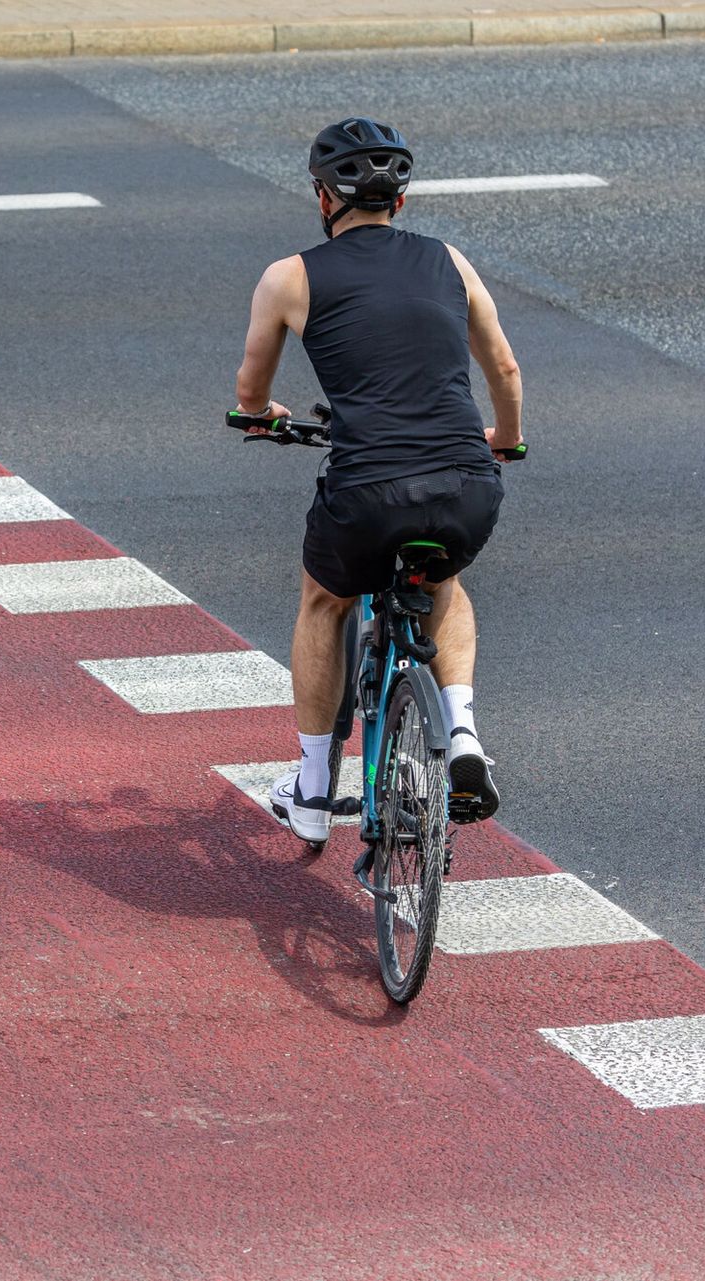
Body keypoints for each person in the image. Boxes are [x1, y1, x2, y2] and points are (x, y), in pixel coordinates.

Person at [234, 117, 526, 845]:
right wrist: (505, 441)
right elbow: (506, 371)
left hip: (367, 492)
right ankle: (460, 732)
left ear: (322, 198)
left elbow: (250, 390)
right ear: (399, 201)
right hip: (465, 482)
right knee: (441, 583)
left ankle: (308, 788)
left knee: (325, 599)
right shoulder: (450, 262)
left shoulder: (289, 278)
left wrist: (262, 416)